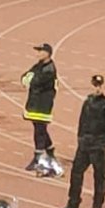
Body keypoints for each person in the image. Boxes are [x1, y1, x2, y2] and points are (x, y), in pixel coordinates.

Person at [60, 74, 105, 208]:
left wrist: (104, 145)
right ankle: (73, 204)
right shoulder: (87, 102)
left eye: (99, 86)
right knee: (76, 173)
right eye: (95, 85)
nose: (97, 88)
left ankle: (96, 206)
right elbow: (82, 122)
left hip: (98, 146)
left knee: (99, 176)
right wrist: (80, 139)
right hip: (85, 144)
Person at [22, 43, 65, 177]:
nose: (38, 53)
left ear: (47, 53)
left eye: (40, 51)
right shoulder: (39, 65)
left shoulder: (49, 69)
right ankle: (50, 151)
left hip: (42, 104)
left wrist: (29, 79)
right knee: (40, 128)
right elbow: (26, 76)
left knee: (39, 131)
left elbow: (35, 81)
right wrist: (28, 78)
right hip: (35, 103)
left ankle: (39, 158)